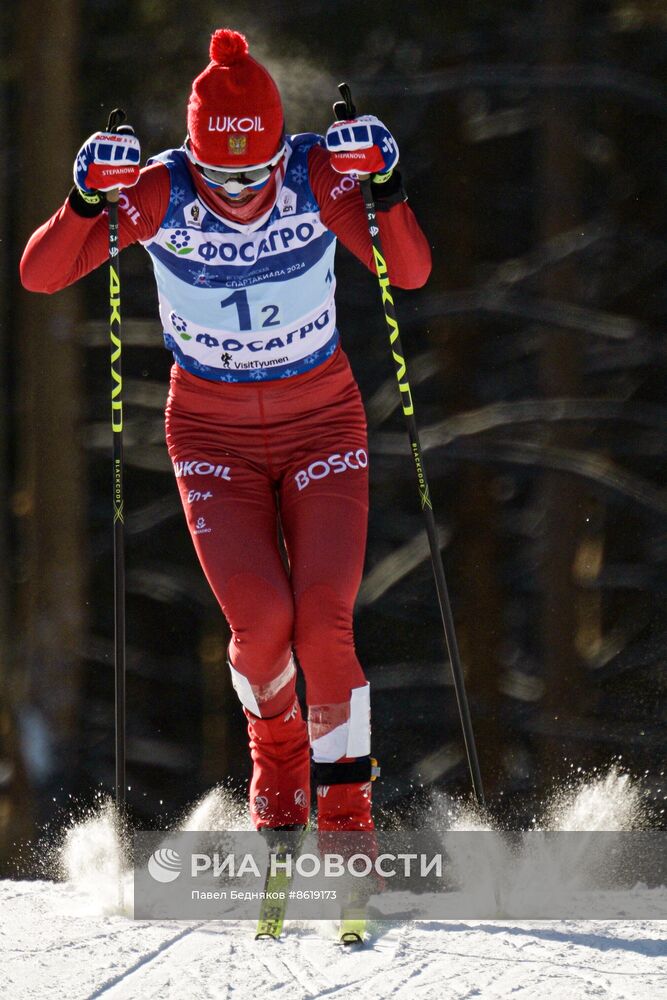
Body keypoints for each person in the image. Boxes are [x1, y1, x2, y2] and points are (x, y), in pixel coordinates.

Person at [21, 28, 432, 834]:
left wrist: (383, 185)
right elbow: (42, 274)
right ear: (191, 153)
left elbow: (408, 271)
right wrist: (84, 200)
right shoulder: (161, 189)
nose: (239, 193)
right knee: (258, 626)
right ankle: (275, 748)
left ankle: (347, 813)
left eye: (255, 172)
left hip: (321, 423)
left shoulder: (315, 174)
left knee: (322, 620)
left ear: (281, 149)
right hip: (212, 437)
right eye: (220, 173)